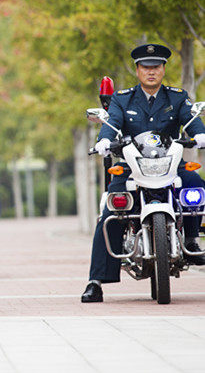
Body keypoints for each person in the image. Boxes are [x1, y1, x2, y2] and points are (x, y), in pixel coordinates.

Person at [82, 44, 205, 303]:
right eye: (146, 67)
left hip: (170, 163)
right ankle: (95, 281)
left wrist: (200, 134)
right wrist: (104, 140)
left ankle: (192, 241)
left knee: (195, 186)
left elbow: (191, 120)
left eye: (156, 67)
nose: (151, 72)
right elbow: (111, 123)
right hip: (132, 164)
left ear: (163, 70)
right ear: (137, 70)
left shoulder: (177, 97)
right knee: (113, 208)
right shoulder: (122, 99)